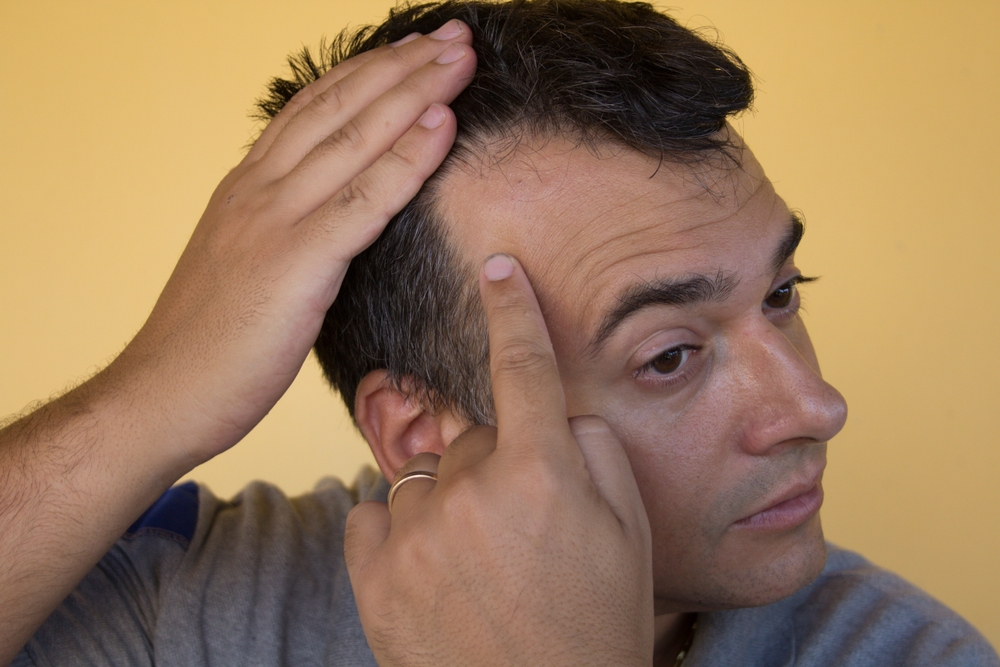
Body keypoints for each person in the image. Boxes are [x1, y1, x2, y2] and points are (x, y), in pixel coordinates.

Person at [0, 1, 996, 666]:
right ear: (418, 433)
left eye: (782, 294)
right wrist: (144, 400)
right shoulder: (196, 610)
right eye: (669, 355)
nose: (814, 406)